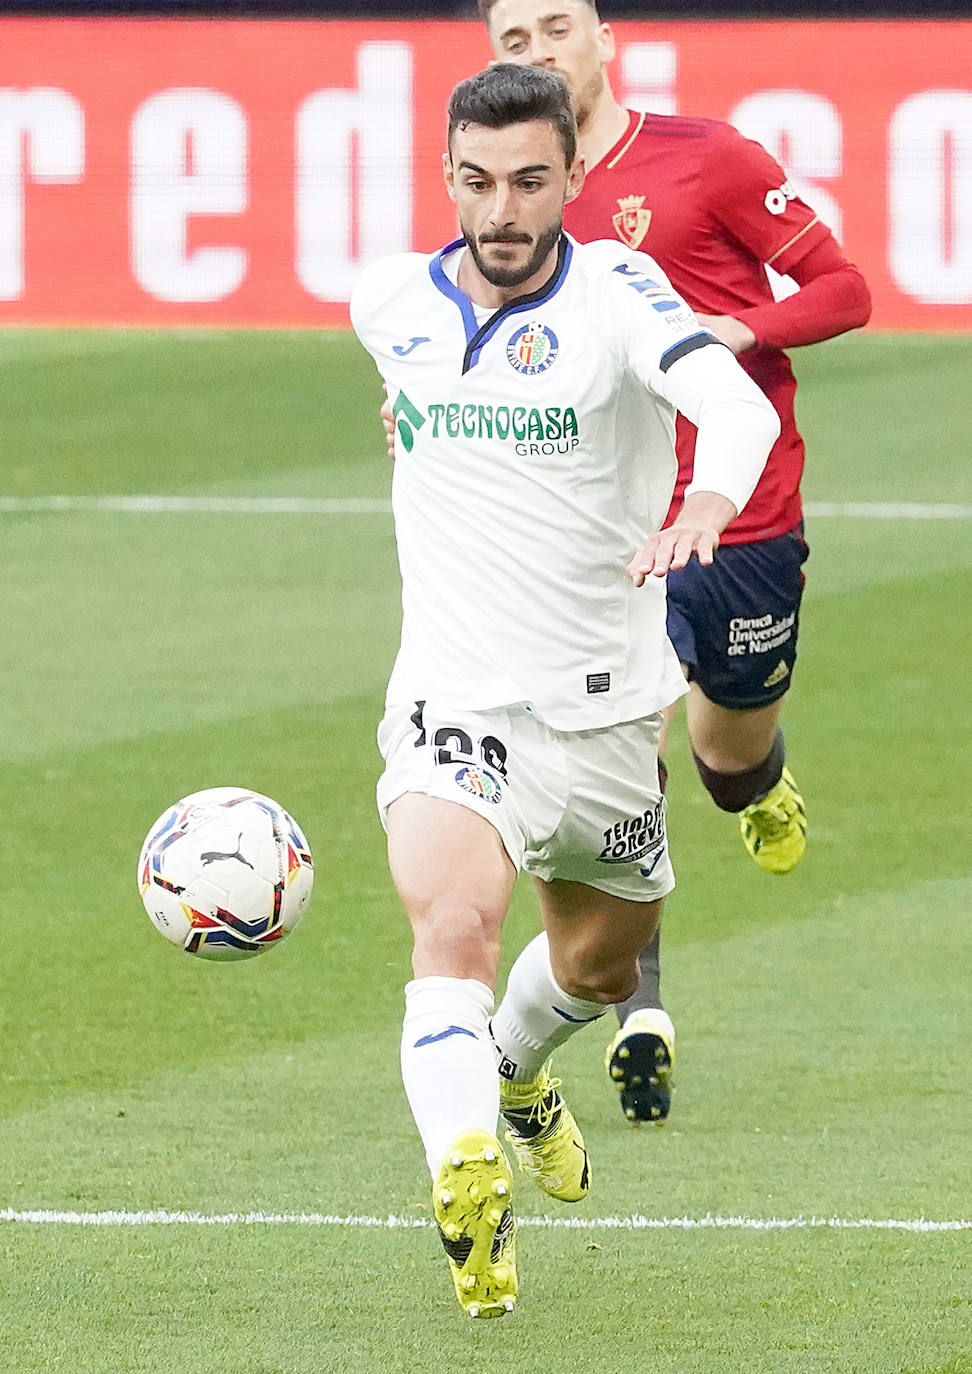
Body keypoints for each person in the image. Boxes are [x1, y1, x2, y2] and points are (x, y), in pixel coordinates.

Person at [351, 62, 779, 1318]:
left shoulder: (618, 294)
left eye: (531, 181)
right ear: (447, 176)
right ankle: (465, 1170)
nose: (503, 209)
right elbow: (413, 400)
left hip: (604, 716)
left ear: (573, 178)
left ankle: (518, 1068)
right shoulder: (389, 300)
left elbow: (734, 407)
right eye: (479, 181)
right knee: (453, 926)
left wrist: (706, 503)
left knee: (597, 968)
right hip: (453, 698)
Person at [477, 0, 872, 1127]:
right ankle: (638, 1011)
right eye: (514, 40)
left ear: (606, 40)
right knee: (617, 761)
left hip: (741, 515)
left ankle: (756, 788)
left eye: (557, 28)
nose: (540, 53)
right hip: (602, 527)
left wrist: (743, 330)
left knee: (725, 752)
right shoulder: (511, 195)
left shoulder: (710, 160)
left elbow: (846, 289)